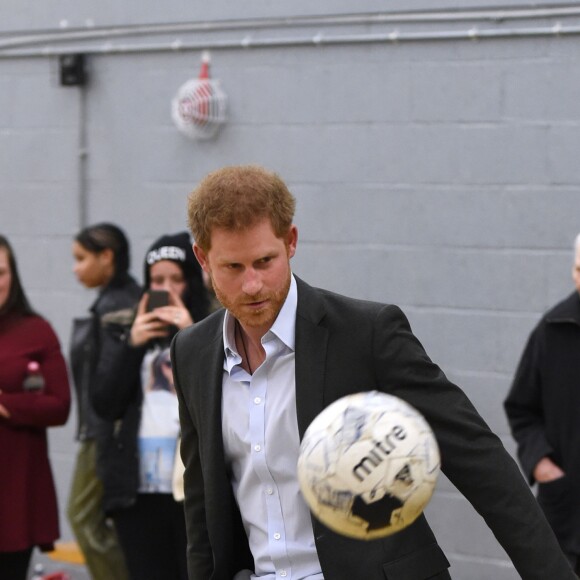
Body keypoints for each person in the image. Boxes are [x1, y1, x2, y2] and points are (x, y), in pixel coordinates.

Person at [171, 165, 576, 580]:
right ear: (203, 258)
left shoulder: (367, 333)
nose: (253, 284)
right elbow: (202, 505)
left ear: (290, 242)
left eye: (264, 261)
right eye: (233, 268)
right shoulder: (192, 353)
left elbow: (478, 458)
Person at [91, 232, 210, 580]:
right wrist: (132, 344)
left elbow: (222, 400)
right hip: (136, 493)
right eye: (157, 281)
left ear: (192, 282)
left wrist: (190, 334)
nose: (167, 289)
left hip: (191, 493)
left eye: (177, 279)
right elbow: (104, 405)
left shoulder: (213, 330)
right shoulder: (123, 331)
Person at [504, 233, 580, 575]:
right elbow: (521, 408)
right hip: (568, 519)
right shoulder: (553, 329)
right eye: (579, 270)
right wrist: (543, 467)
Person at [69, 223, 140, 580]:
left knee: (83, 517)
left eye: (81, 259)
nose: (75, 268)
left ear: (106, 256)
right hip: (101, 429)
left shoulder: (118, 306)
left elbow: (112, 384)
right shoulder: (113, 302)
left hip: (107, 432)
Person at [0, 235, 71, 580]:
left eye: (0, 272)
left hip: (14, 490)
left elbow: (59, 406)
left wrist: (6, 403)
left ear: (13, 276)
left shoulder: (36, 331)